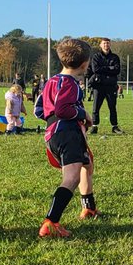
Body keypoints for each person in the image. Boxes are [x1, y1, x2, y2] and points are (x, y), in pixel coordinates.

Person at [35, 38, 100, 239]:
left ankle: (89, 208)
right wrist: (83, 114)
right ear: (85, 64)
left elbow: (38, 109)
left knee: (86, 165)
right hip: (67, 133)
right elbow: (63, 109)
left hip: (54, 133)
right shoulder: (71, 84)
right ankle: (51, 222)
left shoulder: (51, 81)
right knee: (71, 178)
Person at [85, 37, 123, 134]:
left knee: (112, 107)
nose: (106, 45)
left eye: (108, 43)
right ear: (100, 45)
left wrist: (103, 69)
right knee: (96, 107)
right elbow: (95, 70)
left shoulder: (115, 57)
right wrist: (110, 68)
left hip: (111, 86)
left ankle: (114, 126)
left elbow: (117, 70)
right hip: (99, 86)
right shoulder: (96, 57)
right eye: (104, 43)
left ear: (110, 45)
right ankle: (94, 126)